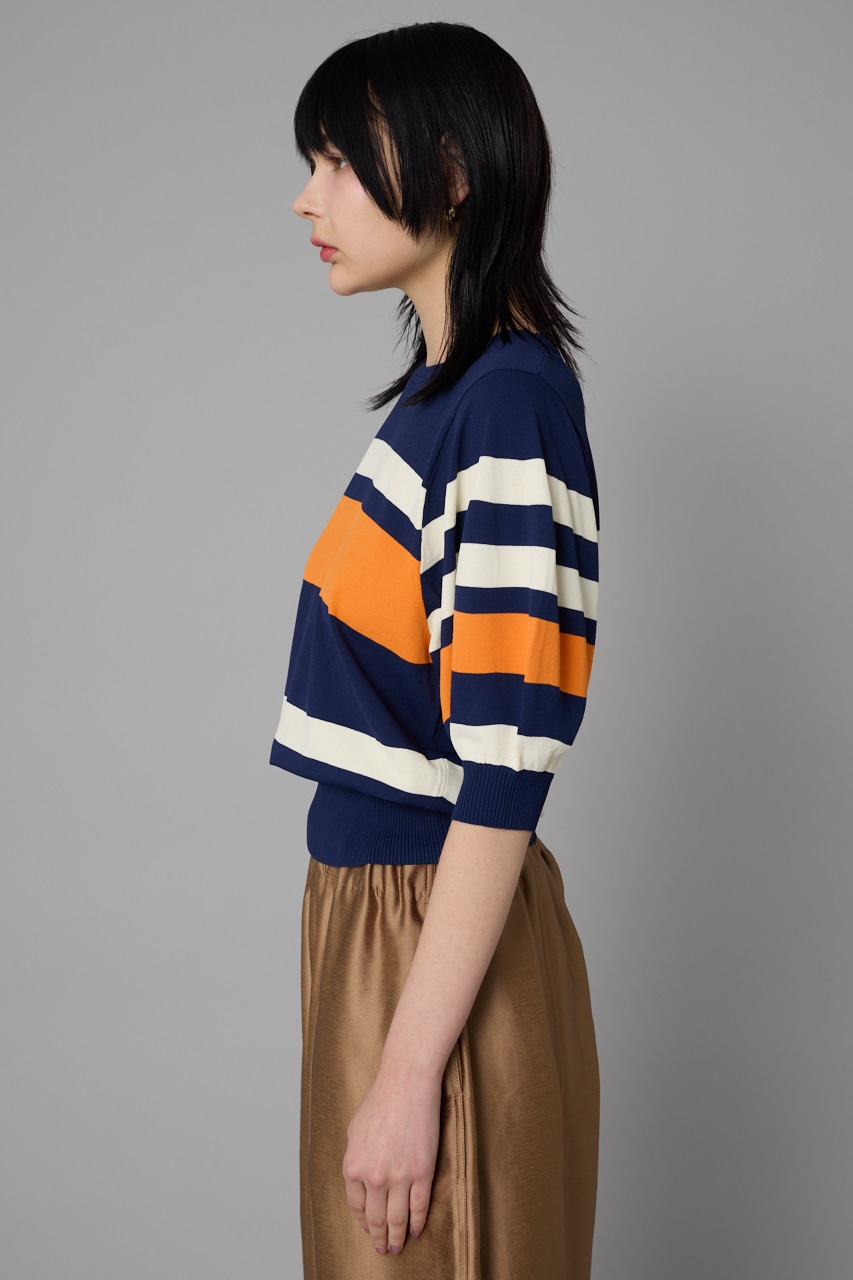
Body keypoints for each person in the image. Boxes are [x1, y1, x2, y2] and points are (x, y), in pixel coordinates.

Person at [270, 22, 600, 1280]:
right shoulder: (446, 402)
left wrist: (410, 1071)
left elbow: (504, 769)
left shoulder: (506, 407)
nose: (308, 198)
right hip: (377, 930)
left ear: (452, 173)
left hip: (431, 944)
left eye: (338, 161)